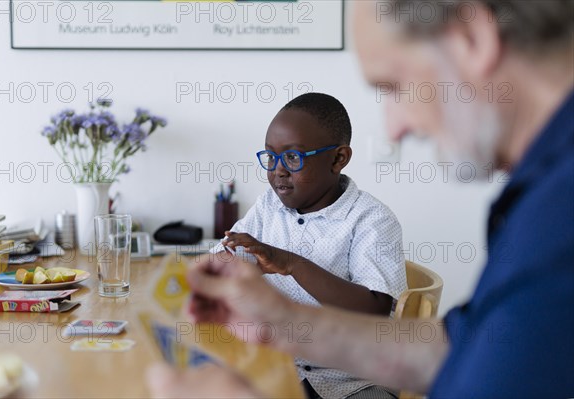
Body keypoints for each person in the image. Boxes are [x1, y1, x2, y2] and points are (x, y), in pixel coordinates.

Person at [147, 0, 574, 397]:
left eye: (393, 86)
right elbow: (463, 347)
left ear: (472, 40)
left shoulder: (560, 212)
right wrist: (283, 324)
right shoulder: (543, 191)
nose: (394, 129)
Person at [215, 92, 406, 399]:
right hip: (280, 369)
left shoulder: (372, 220)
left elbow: (375, 309)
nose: (278, 169)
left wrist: (291, 264)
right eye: (271, 156)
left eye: (293, 157)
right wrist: (217, 266)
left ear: (338, 158)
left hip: (355, 381)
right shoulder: (269, 206)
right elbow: (232, 254)